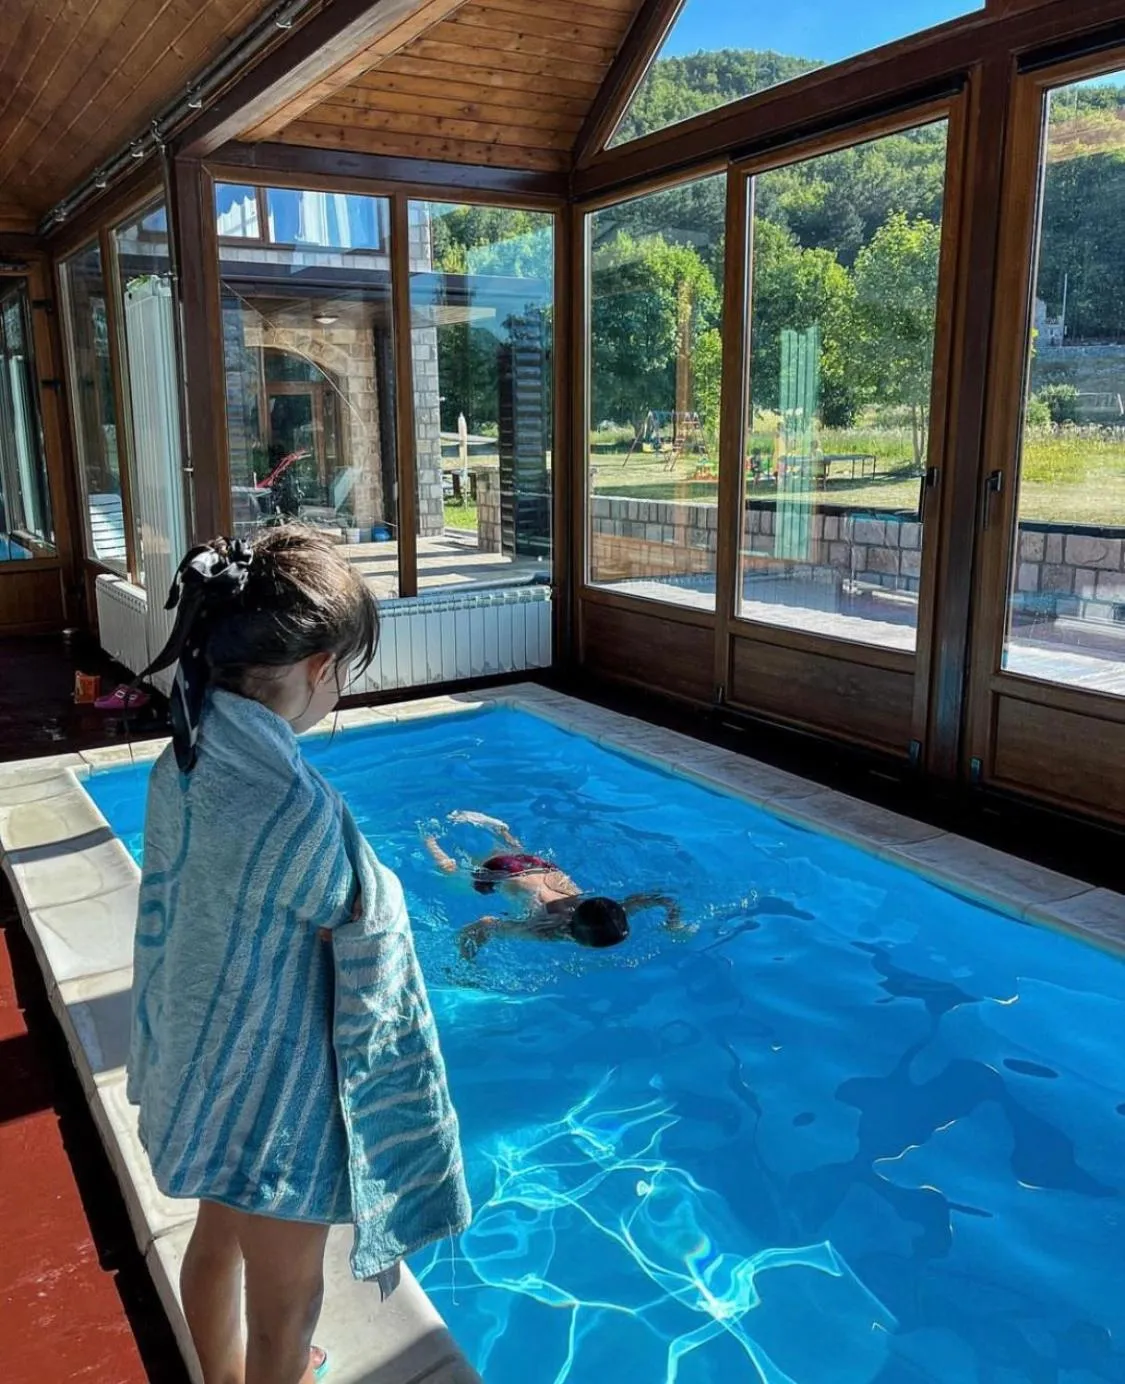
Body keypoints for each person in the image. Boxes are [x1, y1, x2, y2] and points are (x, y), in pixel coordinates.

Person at [127, 528, 470, 1384]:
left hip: (207, 1059)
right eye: (345, 671)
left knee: (215, 1240)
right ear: (319, 667)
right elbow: (354, 913)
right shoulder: (293, 809)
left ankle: (220, 1373)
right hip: (273, 1096)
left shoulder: (189, 756)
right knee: (289, 1309)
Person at [423, 811, 683, 959]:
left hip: (537, 865)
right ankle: (429, 840)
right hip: (500, 872)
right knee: (451, 875)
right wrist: (465, 965)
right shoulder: (545, 931)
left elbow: (660, 899)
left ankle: (503, 830)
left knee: (515, 855)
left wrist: (675, 921)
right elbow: (483, 925)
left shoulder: (609, 910)